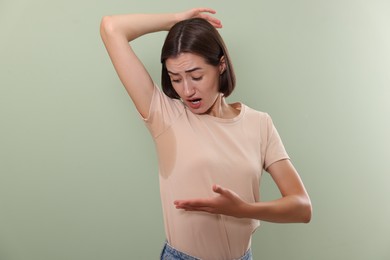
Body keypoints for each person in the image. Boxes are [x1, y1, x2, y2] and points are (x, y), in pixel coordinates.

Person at [100, 8, 312, 260]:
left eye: (196, 76)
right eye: (175, 79)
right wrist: (176, 21)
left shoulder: (259, 123)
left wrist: (243, 209)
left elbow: (301, 207)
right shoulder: (166, 116)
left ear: (221, 65)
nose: (187, 90)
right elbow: (111, 28)